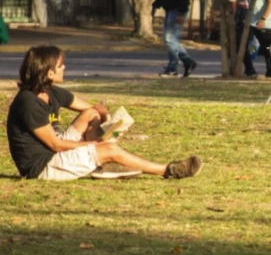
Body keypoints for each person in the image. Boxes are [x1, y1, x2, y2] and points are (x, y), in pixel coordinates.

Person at [6, 46, 203, 181]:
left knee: (91, 114)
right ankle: (169, 170)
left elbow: (92, 110)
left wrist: (109, 124)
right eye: (60, 65)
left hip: (54, 153)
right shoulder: (28, 102)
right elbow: (55, 144)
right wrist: (99, 144)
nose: (64, 67)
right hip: (43, 167)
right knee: (109, 150)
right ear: (49, 72)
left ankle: (101, 164)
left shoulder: (51, 91)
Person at [153, 0, 197, 77]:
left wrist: (182, 12)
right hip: (169, 10)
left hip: (178, 10)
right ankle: (187, 63)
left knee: (169, 39)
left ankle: (173, 68)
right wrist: (156, 4)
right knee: (169, 40)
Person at [244, 0, 271, 78]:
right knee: (241, 45)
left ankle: (270, 74)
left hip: (264, 23)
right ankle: (250, 71)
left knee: (267, 50)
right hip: (251, 21)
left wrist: (263, 19)